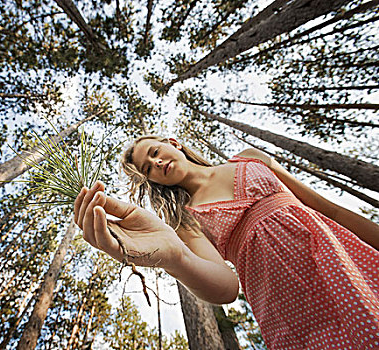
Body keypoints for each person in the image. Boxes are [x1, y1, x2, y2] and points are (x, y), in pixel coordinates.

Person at [74, 135, 379, 349]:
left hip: (346, 265)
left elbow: (330, 210)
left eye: (154, 152)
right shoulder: (185, 219)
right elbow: (226, 287)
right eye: (147, 169)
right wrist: (176, 259)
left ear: (173, 144)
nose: (156, 163)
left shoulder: (249, 159)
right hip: (291, 310)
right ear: (151, 181)